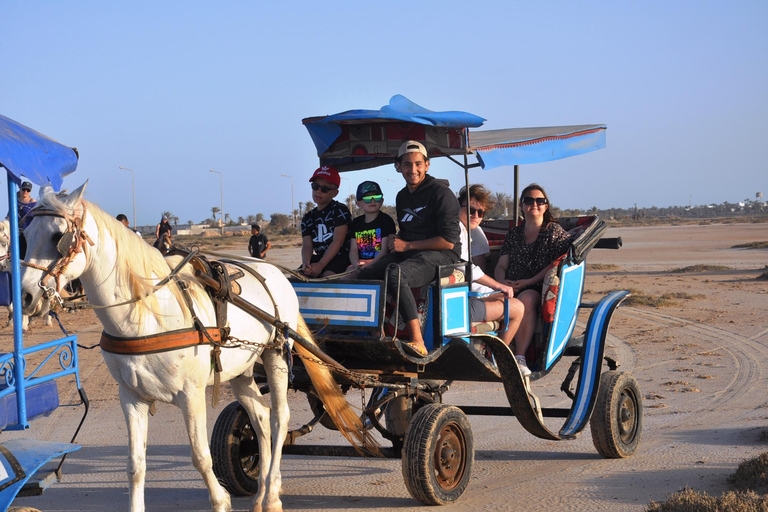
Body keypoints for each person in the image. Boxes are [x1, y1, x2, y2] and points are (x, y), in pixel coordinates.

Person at [355, 141, 461, 358]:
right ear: (398, 167)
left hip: (443, 256)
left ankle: (418, 341)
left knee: (396, 274)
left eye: (418, 164)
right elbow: (408, 231)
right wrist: (398, 239)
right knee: (363, 274)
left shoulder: (441, 193)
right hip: (414, 253)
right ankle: (367, 332)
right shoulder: (402, 196)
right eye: (407, 165)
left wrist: (408, 245)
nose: (413, 170)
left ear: (427, 165)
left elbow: (449, 242)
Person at [494, 183, 573, 376]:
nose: (534, 204)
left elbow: (555, 265)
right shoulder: (514, 233)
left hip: (537, 286)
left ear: (546, 206)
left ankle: (518, 357)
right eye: (529, 200)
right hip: (510, 284)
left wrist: (528, 282)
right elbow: (501, 264)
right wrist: (501, 282)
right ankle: (489, 353)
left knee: (527, 300)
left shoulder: (553, 231)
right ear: (521, 205)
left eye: (540, 201)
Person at [456, 185, 524, 339]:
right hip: (458, 305)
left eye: (480, 213)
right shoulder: (456, 230)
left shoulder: (468, 231)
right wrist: (498, 285)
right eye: (470, 210)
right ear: (458, 207)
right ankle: (500, 360)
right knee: (518, 308)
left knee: (506, 297)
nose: (475, 215)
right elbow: (466, 268)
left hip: (461, 296)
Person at [300, 166, 352, 277]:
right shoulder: (308, 217)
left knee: (327, 277)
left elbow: (338, 241)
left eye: (324, 189)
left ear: (334, 193)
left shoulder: (340, 210)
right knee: (298, 277)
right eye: (315, 187)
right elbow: (307, 245)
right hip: (320, 257)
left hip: (341, 257)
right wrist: (306, 262)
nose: (318, 191)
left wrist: (320, 265)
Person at [347, 181, 396, 270]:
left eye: (377, 197)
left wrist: (369, 265)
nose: (373, 200)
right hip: (360, 264)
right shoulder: (356, 222)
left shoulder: (386, 220)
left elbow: (384, 250)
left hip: (380, 264)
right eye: (367, 198)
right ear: (358, 204)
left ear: (382, 201)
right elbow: (353, 250)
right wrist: (355, 265)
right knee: (349, 271)